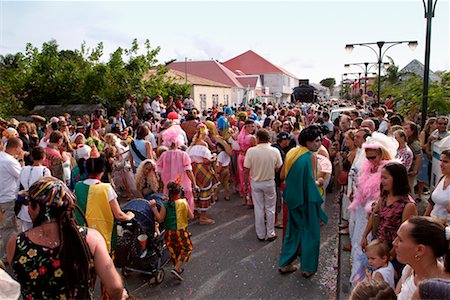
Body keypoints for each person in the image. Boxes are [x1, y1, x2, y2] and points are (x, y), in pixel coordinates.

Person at [6, 176, 127, 299]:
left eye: (29, 204)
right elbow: (115, 287)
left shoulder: (16, 243)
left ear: (36, 207)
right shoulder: (91, 238)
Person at [278, 125, 328, 278]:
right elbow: (312, 182)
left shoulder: (292, 151)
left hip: (291, 198)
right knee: (310, 234)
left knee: (291, 232)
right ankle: (307, 268)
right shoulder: (311, 156)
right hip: (306, 199)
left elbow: (282, 175)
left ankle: (285, 264)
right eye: (316, 141)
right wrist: (320, 180)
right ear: (308, 142)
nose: (319, 144)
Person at [74, 152, 134, 254]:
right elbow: (119, 215)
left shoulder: (77, 186)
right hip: (101, 234)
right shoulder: (106, 188)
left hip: (82, 233)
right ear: (102, 171)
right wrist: (129, 216)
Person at [394, 216, 450, 299]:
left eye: (400, 240)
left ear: (420, 250)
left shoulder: (440, 292)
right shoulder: (410, 269)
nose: (394, 243)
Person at [150, 181, 193, 281]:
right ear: (179, 193)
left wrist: (153, 207)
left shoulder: (165, 203)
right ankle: (176, 267)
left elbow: (160, 219)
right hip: (181, 231)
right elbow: (191, 216)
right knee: (187, 248)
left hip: (169, 232)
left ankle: (177, 269)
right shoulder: (183, 202)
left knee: (174, 250)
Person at [244, 129, 282, 241]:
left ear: (258, 138)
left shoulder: (251, 151)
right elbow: (278, 166)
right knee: (270, 208)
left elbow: (246, 169)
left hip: (256, 182)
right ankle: (271, 233)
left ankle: (260, 234)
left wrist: (246, 183)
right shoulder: (275, 151)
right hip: (269, 181)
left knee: (259, 208)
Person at [156, 126, 198, 212]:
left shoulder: (164, 155)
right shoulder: (183, 155)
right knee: (184, 207)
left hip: (169, 186)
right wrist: (194, 183)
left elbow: (158, 171)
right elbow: (189, 171)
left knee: (171, 206)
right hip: (183, 186)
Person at [187, 124, 217, 224]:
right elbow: (205, 160)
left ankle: (196, 213)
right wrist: (213, 158)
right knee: (204, 192)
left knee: (196, 191)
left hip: (193, 169)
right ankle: (203, 217)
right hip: (202, 170)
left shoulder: (192, 145)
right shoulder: (203, 144)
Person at [0, 137, 24, 262]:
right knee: (10, 228)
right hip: (8, 198)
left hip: (2, 197)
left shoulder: (2, 157)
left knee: (3, 227)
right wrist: (21, 159)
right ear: (16, 148)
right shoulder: (10, 161)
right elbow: (22, 176)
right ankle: (7, 255)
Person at [17, 146, 52, 231]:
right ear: (44, 157)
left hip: (24, 206)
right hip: (38, 207)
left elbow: (18, 187)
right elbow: (48, 190)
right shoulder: (45, 171)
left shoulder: (24, 169)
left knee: (26, 231)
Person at [425, 149, 450, 222]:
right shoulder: (441, 178)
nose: (441, 164)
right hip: (432, 222)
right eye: (441, 160)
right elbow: (431, 201)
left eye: (445, 162)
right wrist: (425, 218)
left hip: (445, 227)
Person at [238, 120, 257, 206]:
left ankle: (244, 198)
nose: (254, 128)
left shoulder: (239, 136)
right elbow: (255, 149)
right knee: (250, 178)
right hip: (248, 157)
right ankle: (251, 200)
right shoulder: (252, 138)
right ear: (247, 126)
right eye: (252, 126)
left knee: (242, 177)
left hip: (240, 157)